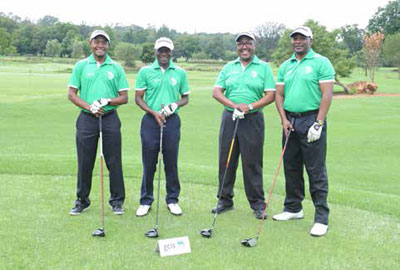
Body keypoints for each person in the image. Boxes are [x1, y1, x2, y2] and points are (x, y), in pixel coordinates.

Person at [273, 26, 335, 237]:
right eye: (295, 38)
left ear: (310, 40)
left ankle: (321, 217)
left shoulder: (321, 62)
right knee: (291, 166)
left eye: (302, 38)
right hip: (290, 120)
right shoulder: (286, 65)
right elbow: (279, 96)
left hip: (311, 118)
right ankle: (293, 208)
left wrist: (318, 123)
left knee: (315, 170)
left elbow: (327, 94)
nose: (298, 41)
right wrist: (283, 120)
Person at [211, 32, 276, 219]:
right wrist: (234, 106)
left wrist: (249, 107)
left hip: (253, 120)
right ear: (236, 47)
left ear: (254, 46)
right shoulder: (228, 67)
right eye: (241, 44)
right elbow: (217, 92)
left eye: (248, 43)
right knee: (226, 160)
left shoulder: (263, 67)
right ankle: (224, 200)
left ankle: (257, 203)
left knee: (252, 162)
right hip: (230, 118)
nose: (244, 47)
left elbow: (270, 95)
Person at [68, 30, 129, 216]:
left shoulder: (116, 68)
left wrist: (107, 101)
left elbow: (124, 97)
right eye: (97, 42)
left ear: (108, 45)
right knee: (85, 162)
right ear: (90, 43)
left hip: (110, 118)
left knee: (114, 161)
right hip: (86, 119)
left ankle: (117, 201)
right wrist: (90, 107)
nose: (100, 45)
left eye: (103, 42)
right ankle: (82, 200)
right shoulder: (81, 66)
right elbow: (71, 94)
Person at [134, 37, 189, 217]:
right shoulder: (145, 72)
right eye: (161, 50)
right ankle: (146, 200)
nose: (164, 53)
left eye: (167, 50)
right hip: (150, 121)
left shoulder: (180, 72)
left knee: (171, 162)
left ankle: (172, 200)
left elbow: (185, 97)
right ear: (155, 52)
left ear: (171, 52)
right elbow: (138, 98)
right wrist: (154, 112)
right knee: (148, 162)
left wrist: (175, 105)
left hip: (172, 121)